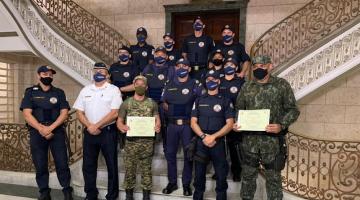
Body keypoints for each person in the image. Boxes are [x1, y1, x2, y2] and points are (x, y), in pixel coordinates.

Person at [233, 55, 300, 200]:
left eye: (262, 66)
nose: (258, 69)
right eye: (255, 66)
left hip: (272, 143)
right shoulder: (246, 86)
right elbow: (238, 109)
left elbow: (293, 110)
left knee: (273, 179)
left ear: (270, 66)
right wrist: (237, 123)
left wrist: (281, 125)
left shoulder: (281, 85)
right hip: (249, 142)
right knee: (247, 178)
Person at [20, 65, 73, 200]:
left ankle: (67, 191)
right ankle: (44, 192)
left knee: (62, 163)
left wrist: (51, 128)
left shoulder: (59, 92)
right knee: (40, 163)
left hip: (57, 132)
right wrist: (41, 129)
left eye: (50, 74)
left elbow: (64, 113)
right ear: (38, 75)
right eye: (45, 74)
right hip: (37, 133)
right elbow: (27, 114)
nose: (48, 76)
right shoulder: (30, 92)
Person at [73, 62, 122, 200]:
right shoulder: (86, 90)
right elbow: (79, 112)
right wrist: (89, 126)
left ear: (108, 74)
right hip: (89, 132)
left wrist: (97, 125)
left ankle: (112, 195)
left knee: (111, 165)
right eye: (96, 71)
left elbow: (114, 113)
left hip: (107, 132)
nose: (98, 73)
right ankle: (91, 193)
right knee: (88, 164)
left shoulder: (113, 89)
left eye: (102, 71)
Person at [161, 58, 204, 196]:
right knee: (170, 155)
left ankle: (186, 184)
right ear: (175, 68)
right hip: (172, 126)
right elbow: (164, 103)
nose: (181, 68)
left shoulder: (195, 84)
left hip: (187, 126)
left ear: (189, 69)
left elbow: (199, 102)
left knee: (188, 155)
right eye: (178, 66)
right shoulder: (169, 83)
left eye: (184, 66)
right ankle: (172, 183)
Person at [191, 70, 234, 200]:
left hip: (218, 142)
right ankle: (198, 196)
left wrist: (213, 137)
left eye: (213, 79)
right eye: (208, 80)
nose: (211, 82)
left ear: (218, 81)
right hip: (201, 141)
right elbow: (193, 122)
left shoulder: (225, 100)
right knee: (199, 174)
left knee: (221, 174)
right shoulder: (198, 100)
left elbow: (230, 123)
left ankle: (221, 197)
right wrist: (204, 137)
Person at [117, 75, 161, 200]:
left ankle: (146, 196)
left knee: (146, 171)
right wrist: (122, 127)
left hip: (147, 144)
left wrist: (157, 126)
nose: (140, 87)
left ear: (146, 87)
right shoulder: (126, 103)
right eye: (137, 84)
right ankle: (129, 195)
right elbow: (119, 121)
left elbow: (157, 119)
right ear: (134, 86)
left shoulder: (152, 103)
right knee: (129, 171)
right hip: (131, 144)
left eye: (143, 85)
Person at [219, 57, 245, 182]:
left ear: (236, 67)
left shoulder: (241, 82)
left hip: (235, 119)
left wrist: (239, 119)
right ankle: (220, 170)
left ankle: (236, 171)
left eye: (232, 64)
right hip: (220, 118)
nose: (229, 66)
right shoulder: (219, 81)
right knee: (220, 147)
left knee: (234, 147)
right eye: (226, 64)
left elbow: (245, 102)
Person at [182, 16, 215, 80]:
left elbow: (213, 52)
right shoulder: (187, 39)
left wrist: (211, 62)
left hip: (203, 69)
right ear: (193, 25)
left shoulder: (208, 39)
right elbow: (184, 54)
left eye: (199, 22)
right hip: (190, 69)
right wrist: (186, 65)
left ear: (203, 26)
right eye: (196, 23)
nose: (197, 24)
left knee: (202, 88)